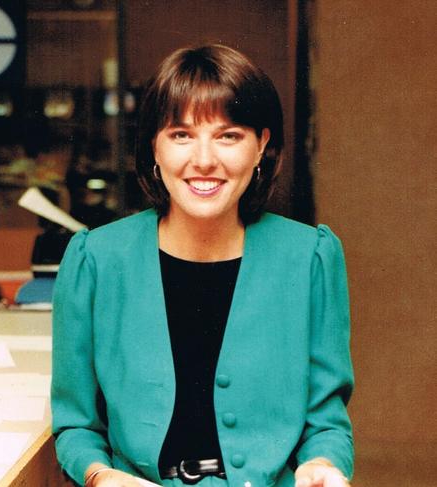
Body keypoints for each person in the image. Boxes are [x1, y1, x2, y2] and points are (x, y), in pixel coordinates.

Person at [51, 44, 354, 487]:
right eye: (180, 134)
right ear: (153, 146)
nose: (205, 159)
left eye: (228, 135)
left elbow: (326, 423)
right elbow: (75, 425)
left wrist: (322, 465)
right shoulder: (96, 260)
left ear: (260, 146)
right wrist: (101, 476)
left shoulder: (310, 257)